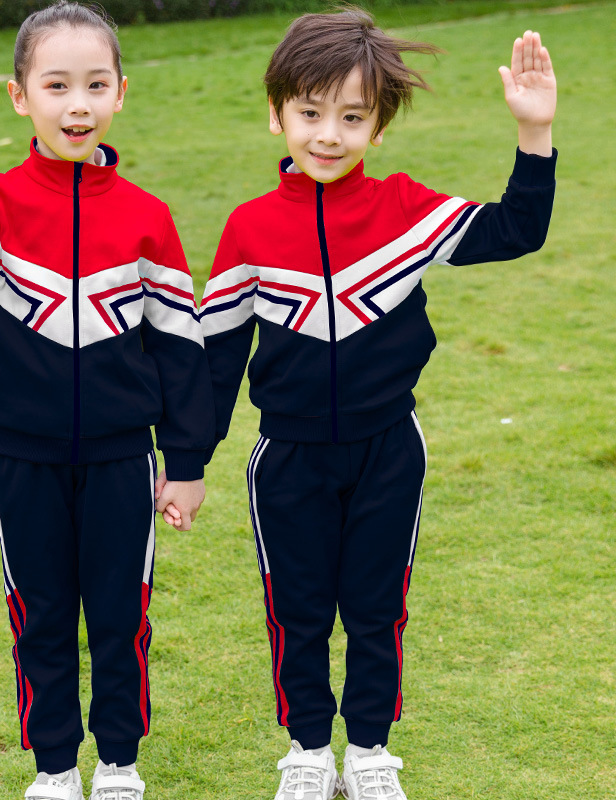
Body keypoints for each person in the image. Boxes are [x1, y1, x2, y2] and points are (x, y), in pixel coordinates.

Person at [200, 7, 556, 800]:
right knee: (296, 611)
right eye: (311, 113)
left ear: (379, 127)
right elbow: (217, 358)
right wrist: (187, 465)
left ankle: (368, 752)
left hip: (389, 449)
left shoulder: (407, 212)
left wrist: (535, 133)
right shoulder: (249, 230)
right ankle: (305, 752)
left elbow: (518, 230)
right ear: (276, 114)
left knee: (375, 605)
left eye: (353, 117)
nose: (329, 134)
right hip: (285, 459)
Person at [0, 3, 214, 798]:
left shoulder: (147, 218)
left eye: (95, 84)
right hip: (23, 456)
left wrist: (186, 463)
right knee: (39, 618)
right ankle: (54, 770)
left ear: (120, 93)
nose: (78, 103)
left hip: (122, 459)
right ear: (19, 97)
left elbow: (180, 349)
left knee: (119, 619)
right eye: (57, 85)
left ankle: (119, 766)